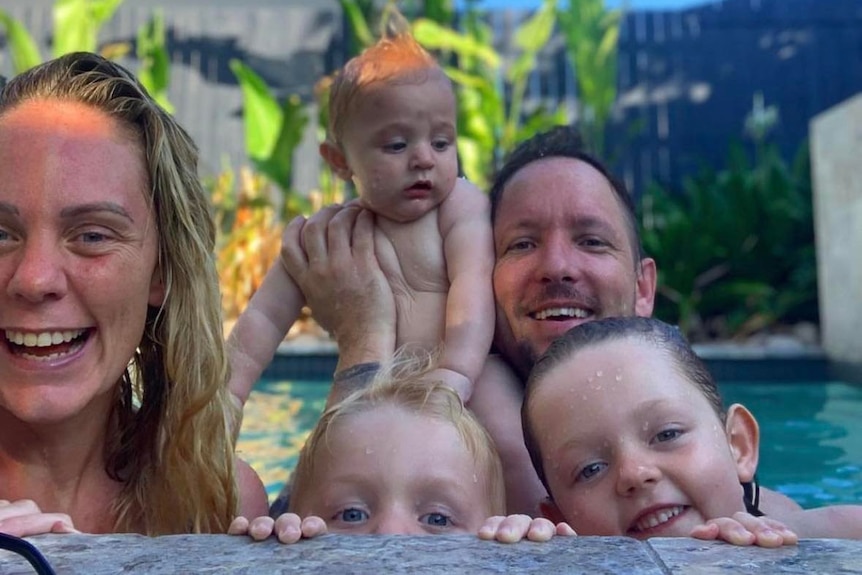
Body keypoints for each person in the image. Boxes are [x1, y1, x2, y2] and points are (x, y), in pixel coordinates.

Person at [279, 125, 802, 518]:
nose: (557, 267)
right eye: (522, 244)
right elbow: (295, 530)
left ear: (644, 287)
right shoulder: (438, 401)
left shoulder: (697, 436)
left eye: (592, 241)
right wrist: (364, 341)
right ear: (480, 278)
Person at [229, 13, 538, 514]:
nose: (423, 158)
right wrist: (226, 396)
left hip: (467, 375)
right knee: (336, 469)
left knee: (508, 437)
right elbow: (262, 320)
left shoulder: (459, 207)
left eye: (441, 142)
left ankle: (532, 530)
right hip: (375, 392)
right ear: (339, 160)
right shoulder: (331, 236)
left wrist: (455, 373)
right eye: (397, 145)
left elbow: (471, 290)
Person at [0, 52, 268, 537]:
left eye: (93, 235)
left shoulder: (216, 502)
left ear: (161, 271)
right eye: (0, 235)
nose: (35, 279)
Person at [522, 316, 862, 542]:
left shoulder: (829, 537)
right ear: (559, 520)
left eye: (667, 434)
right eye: (590, 468)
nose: (635, 473)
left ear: (738, 445)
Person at [228, 353, 574, 543]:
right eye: (351, 515)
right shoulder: (287, 547)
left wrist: (532, 558)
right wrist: (264, 555)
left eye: (438, 519)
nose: (390, 534)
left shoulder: (501, 553)